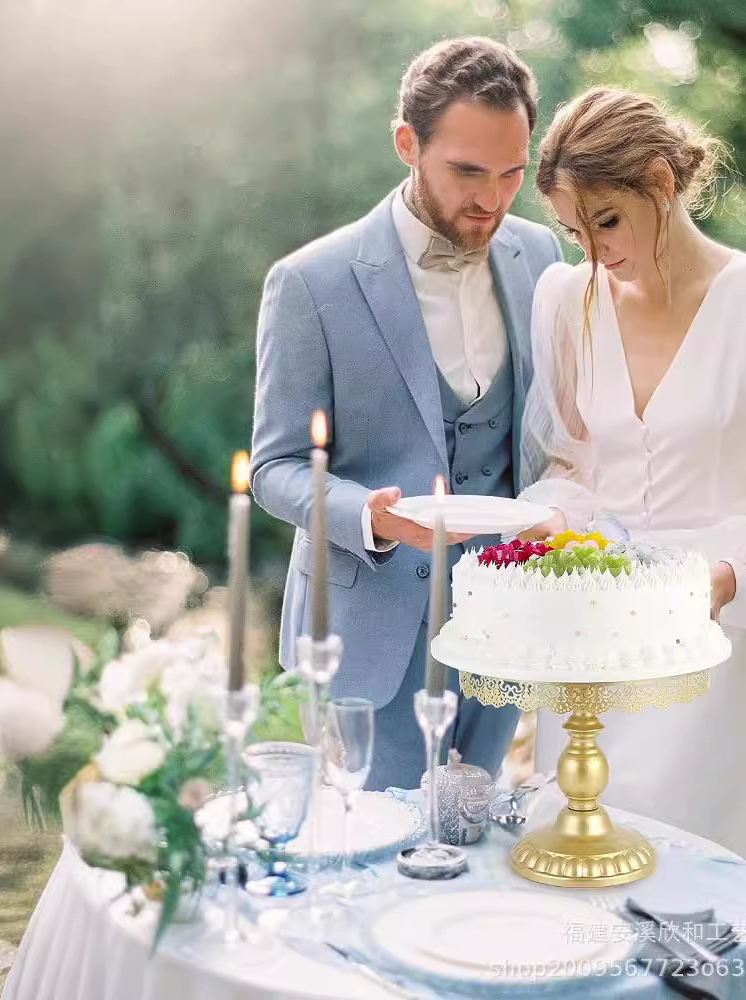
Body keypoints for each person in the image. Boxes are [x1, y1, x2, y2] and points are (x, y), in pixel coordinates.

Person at [518, 87, 746, 887]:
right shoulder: (567, 299)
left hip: (707, 640)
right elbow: (570, 463)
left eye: (605, 222)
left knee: (692, 886)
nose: (592, 253)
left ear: (661, 184)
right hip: (590, 634)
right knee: (579, 871)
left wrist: (722, 579)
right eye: (572, 230)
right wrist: (557, 528)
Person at [250, 37, 562, 791]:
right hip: (369, 638)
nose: (491, 199)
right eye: (466, 171)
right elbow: (274, 469)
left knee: (473, 847)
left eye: (512, 173)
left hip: (504, 628)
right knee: (376, 867)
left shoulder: (544, 257)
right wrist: (372, 516)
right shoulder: (309, 284)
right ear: (406, 145)